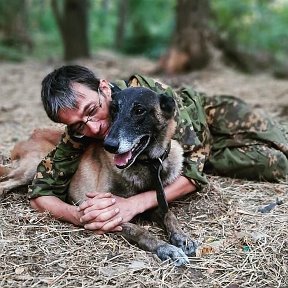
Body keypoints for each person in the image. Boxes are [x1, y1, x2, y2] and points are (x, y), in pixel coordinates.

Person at [28, 65, 288, 235]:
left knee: (278, 139)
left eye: (92, 111)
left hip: (203, 117)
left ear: (104, 89)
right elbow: (40, 192)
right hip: (193, 148)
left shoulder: (149, 94)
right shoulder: (79, 132)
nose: (94, 128)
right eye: (77, 125)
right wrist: (79, 215)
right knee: (277, 164)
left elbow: (194, 175)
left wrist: (134, 204)